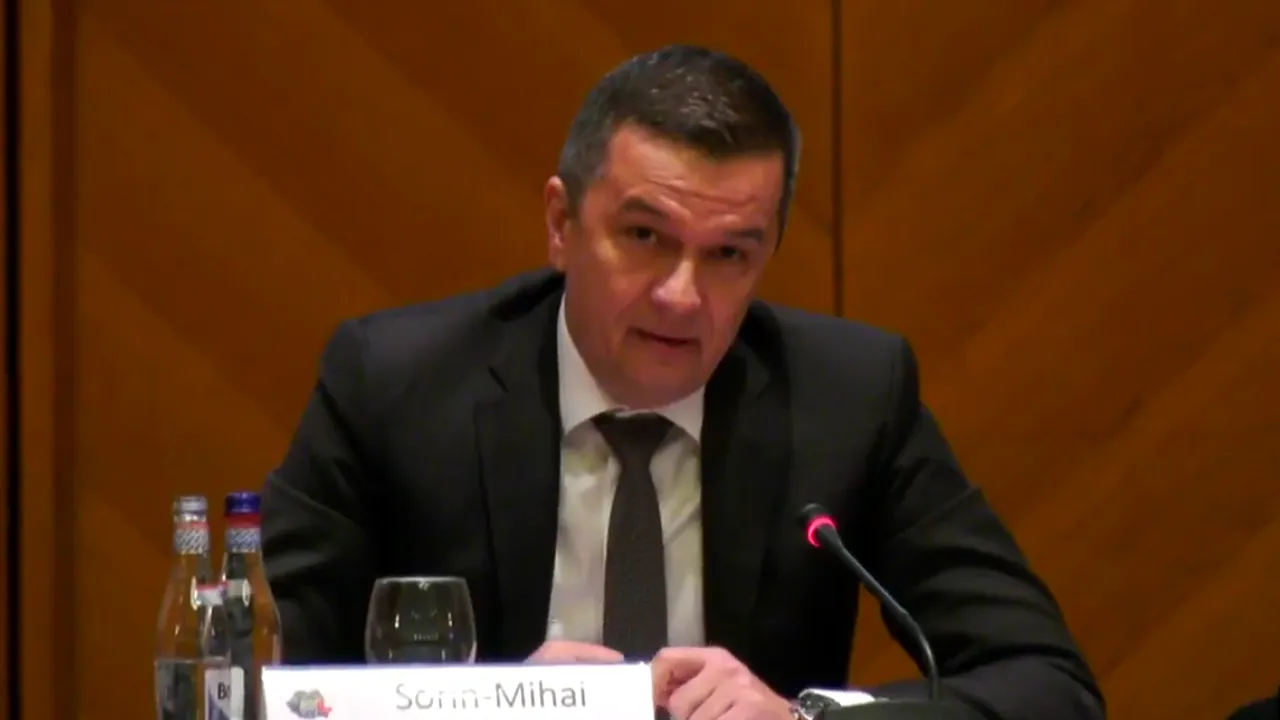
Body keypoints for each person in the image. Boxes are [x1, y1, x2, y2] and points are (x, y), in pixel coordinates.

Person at [261, 44, 1104, 720]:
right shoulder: (398, 385)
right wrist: (495, 705)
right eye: (644, 236)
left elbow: (1046, 683)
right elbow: (259, 687)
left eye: (729, 253)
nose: (681, 296)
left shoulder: (848, 399)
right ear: (561, 224)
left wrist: (805, 717)